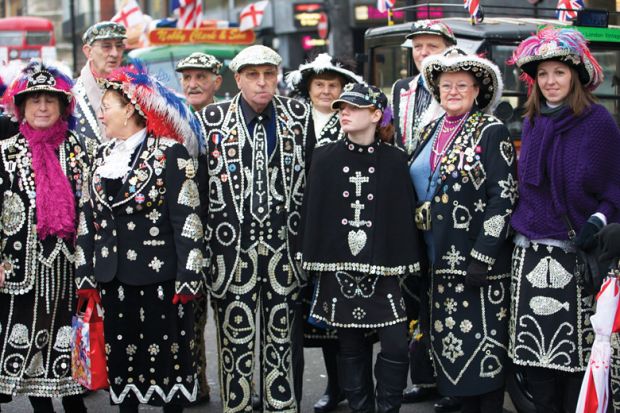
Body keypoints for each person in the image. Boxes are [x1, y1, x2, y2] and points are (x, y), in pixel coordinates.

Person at [74, 63, 205, 413]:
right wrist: (85, 274)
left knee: (168, 364)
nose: (101, 114)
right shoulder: (101, 156)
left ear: (130, 108)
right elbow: (88, 219)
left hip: (161, 278)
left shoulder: (168, 153)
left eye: (106, 106)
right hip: (112, 278)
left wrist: (189, 276)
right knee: (123, 364)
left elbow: (187, 219)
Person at [195, 45, 314, 413]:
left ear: (278, 76)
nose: (262, 83)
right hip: (230, 251)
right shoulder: (211, 120)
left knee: (282, 334)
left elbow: (313, 183)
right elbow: (198, 189)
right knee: (234, 336)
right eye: (253, 75)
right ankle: (239, 405)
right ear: (237, 79)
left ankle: (281, 405)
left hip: (286, 248)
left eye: (269, 74)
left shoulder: (300, 115)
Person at [508, 27, 620, 412]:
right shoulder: (534, 121)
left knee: (574, 357)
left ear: (575, 75)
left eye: (558, 72)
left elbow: (615, 187)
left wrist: (597, 220)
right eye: (542, 74)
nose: (550, 81)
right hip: (530, 252)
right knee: (532, 354)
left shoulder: (598, 122)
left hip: (577, 254)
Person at [300, 83, 420, 413]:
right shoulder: (324, 157)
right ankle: (361, 408)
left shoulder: (395, 159)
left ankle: (387, 408)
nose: (345, 113)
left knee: (396, 345)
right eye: (341, 108)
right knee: (350, 346)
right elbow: (314, 212)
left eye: (353, 108)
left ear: (376, 115)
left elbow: (401, 217)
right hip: (339, 269)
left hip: (384, 270)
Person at [412, 47, 517, 412]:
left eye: (461, 85)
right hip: (435, 257)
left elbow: (502, 197)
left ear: (477, 91)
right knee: (449, 344)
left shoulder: (491, 130)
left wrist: (483, 254)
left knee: (481, 349)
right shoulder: (429, 129)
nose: (452, 91)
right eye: (445, 85)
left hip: (476, 262)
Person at [0, 61, 91, 412]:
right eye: (34, 100)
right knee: (34, 348)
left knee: (69, 348)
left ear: (62, 107)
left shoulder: (81, 150)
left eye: (49, 101)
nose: (41, 107)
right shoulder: (6, 153)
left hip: (73, 269)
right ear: (21, 107)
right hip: (25, 270)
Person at [286, 52, 363, 413]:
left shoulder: (349, 120)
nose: (326, 90)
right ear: (309, 88)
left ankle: (340, 387)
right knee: (298, 318)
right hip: (298, 228)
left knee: (338, 318)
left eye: (333, 85)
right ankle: (287, 392)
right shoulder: (295, 120)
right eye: (320, 85)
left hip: (340, 227)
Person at [390, 20, 460, 411]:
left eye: (430, 45)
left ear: (449, 46)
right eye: (417, 47)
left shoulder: (458, 82)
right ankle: (424, 377)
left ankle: (454, 379)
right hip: (409, 199)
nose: (422, 53)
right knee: (412, 295)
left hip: (448, 206)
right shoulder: (403, 88)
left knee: (448, 294)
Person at [175, 51, 223, 405]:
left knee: (231, 318)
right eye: (187, 77)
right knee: (190, 313)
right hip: (186, 232)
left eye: (201, 77)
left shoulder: (227, 118)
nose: (193, 84)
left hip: (225, 231)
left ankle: (237, 383)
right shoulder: (172, 118)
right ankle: (196, 383)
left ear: (216, 82)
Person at [74, 21, 126, 144]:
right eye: (106, 46)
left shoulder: (133, 91)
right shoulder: (70, 93)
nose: (115, 53)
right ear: (88, 52)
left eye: (119, 46)